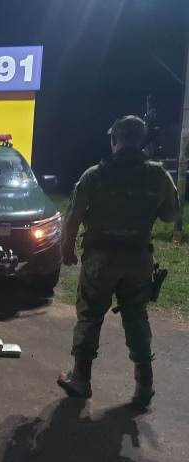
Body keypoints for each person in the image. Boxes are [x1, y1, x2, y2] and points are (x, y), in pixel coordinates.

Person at [57, 115, 179, 408]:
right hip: (138, 258)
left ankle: (80, 379)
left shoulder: (94, 175)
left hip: (100, 260)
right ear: (141, 140)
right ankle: (144, 385)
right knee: (136, 316)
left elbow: (73, 216)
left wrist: (67, 250)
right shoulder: (158, 175)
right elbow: (171, 215)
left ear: (114, 140)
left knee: (90, 316)